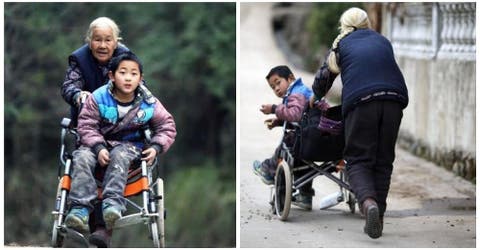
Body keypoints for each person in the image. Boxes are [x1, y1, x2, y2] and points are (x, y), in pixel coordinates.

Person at [311, 7, 408, 238]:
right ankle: (378, 217)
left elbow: (325, 77)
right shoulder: (382, 41)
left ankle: (369, 205)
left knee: (357, 159)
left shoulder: (342, 44)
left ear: (343, 26)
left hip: (362, 101)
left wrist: (314, 98)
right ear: (367, 23)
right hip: (394, 99)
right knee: (383, 160)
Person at [63, 52, 177, 246]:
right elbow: (86, 125)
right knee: (81, 156)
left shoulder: (149, 102)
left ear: (140, 78)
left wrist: (157, 146)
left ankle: (112, 204)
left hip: (129, 147)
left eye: (133, 74)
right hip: (95, 144)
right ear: (111, 76)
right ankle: (80, 208)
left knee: (120, 155)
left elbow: (167, 126)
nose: (128, 77)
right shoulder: (98, 97)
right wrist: (98, 147)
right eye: (122, 72)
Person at [60, 17, 132, 246]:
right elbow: (69, 86)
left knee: (116, 159)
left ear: (116, 41)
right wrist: (78, 95)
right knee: (83, 159)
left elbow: (140, 88)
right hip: (89, 130)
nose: (102, 45)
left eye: (107, 40)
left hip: (120, 133)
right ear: (89, 41)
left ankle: (103, 227)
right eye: (97, 40)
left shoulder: (126, 60)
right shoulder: (79, 60)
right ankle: (82, 212)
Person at [252, 65, 316, 210]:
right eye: (272, 87)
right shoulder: (304, 92)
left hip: (304, 139)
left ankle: (267, 169)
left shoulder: (297, 93)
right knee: (304, 163)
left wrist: (274, 109)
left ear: (291, 78)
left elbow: (295, 115)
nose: (276, 89)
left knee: (285, 146)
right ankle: (305, 196)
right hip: (317, 137)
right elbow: (301, 118)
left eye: (278, 82)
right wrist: (279, 122)